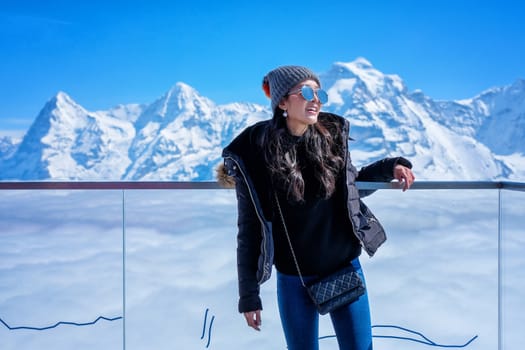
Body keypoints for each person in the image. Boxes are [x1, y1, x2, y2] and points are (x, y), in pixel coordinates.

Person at [217, 65, 415, 350]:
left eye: (319, 92)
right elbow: (249, 229)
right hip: (293, 279)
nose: (316, 99)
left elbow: (352, 185)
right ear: (282, 102)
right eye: (306, 91)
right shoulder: (258, 154)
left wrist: (391, 167)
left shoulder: (331, 138)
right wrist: (249, 294)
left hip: (345, 267)